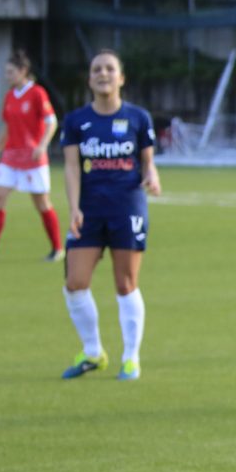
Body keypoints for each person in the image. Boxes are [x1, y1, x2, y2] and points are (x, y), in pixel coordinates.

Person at [58, 50, 160, 381]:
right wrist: (73, 208)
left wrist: (152, 175)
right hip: (89, 209)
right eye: (97, 69)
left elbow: (147, 161)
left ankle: (131, 358)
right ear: (89, 79)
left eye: (110, 68)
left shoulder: (138, 118)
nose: (103, 74)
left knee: (126, 283)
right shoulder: (76, 121)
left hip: (127, 208)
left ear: (121, 77)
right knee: (75, 282)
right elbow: (72, 168)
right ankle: (93, 352)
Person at [0, 50, 65, 263]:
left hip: (32, 159)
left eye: (11, 72)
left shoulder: (37, 93)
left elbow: (51, 122)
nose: (7, 76)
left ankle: (57, 248)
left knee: (42, 203)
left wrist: (42, 146)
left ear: (23, 71)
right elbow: (7, 127)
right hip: (10, 158)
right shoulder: (9, 96)